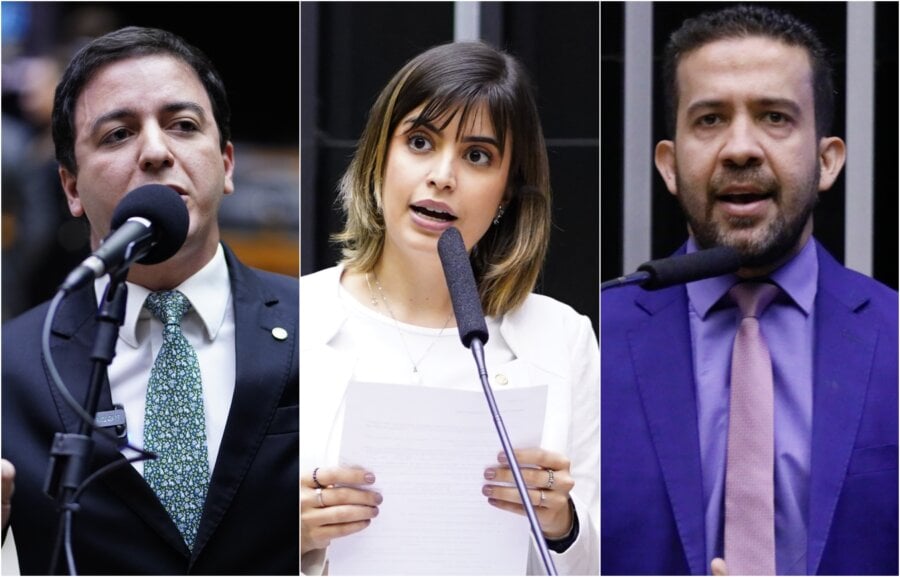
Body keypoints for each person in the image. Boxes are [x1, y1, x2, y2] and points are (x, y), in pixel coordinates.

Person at [601, 5, 897, 576]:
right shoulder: (592, 339)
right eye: (710, 119)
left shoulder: (895, 337)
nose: (741, 147)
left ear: (827, 159)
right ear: (668, 164)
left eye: (775, 118)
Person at [1, 27, 299, 574]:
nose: (157, 152)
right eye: (117, 135)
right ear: (70, 187)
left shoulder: (321, 324)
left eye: (183, 126)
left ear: (227, 164)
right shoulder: (10, 367)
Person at [300, 42, 599, 575]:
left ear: (507, 192)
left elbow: (597, 562)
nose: (442, 175)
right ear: (379, 160)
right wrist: (294, 536)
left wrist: (563, 525)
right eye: (419, 141)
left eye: (477, 155)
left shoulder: (563, 336)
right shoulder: (296, 315)